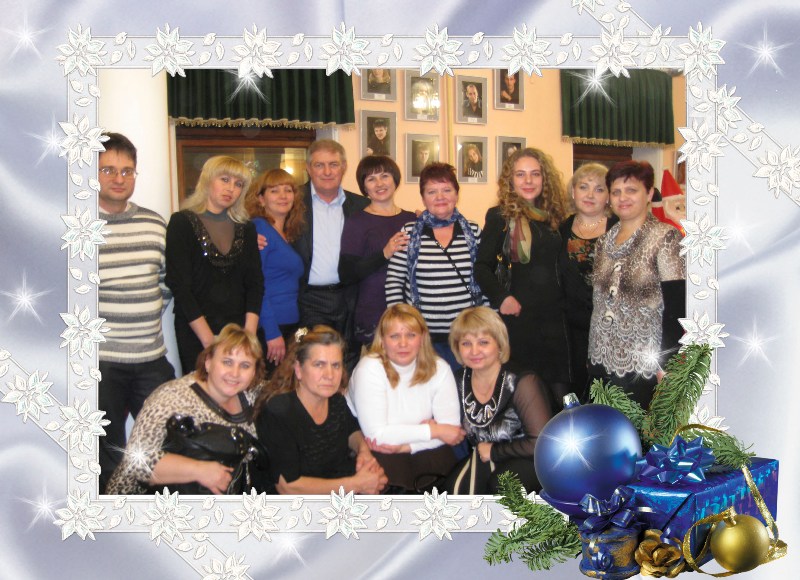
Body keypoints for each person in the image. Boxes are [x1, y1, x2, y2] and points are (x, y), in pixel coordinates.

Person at [96, 132, 176, 493]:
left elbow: (167, 282)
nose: (119, 178)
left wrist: (144, 307)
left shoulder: (154, 223)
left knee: (164, 443)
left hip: (150, 359)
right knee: (105, 451)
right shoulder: (77, 226)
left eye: (127, 171)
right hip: (101, 362)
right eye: (108, 170)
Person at [106, 324, 265, 495]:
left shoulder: (250, 394)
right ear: (208, 362)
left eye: (245, 365)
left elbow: (282, 387)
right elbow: (136, 464)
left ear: (254, 372)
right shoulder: (173, 397)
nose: (235, 373)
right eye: (227, 362)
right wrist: (199, 470)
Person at [474, 148, 571, 411]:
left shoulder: (556, 217)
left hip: (555, 320)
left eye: (535, 174)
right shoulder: (500, 216)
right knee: (528, 396)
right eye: (520, 174)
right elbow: (481, 267)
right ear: (510, 179)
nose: (528, 181)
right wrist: (502, 298)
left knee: (563, 397)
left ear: (544, 178)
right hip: (519, 320)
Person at [588, 160, 686, 408]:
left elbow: (677, 308)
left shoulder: (666, 237)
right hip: (601, 358)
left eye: (631, 190)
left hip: (643, 365)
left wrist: (666, 364)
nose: (623, 198)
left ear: (649, 194)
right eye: (616, 191)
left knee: (637, 430)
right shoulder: (603, 242)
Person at [254, 325, 387, 494]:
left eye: (336, 365)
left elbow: (352, 431)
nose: (329, 375)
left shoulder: (336, 400)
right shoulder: (278, 413)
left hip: (342, 490)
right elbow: (288, 487)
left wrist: (364, 452)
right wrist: (357, 484)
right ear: (298, 369)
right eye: (319, 365)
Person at [348, 304, 464, 491]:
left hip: (414, 445)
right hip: (372, 448)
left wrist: (406, 447)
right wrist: (434, 430)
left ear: (422, 338)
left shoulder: (440, 367)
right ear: (382, 340)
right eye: (394, 336)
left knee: (446, 472)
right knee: (389, 477)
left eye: (411, 335)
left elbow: (451, 433)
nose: (403, 343)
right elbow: (377, 436)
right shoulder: (369, 368)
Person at [165, 156, 264, 374]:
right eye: (224, 179)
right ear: (208, 180)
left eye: (238, 184)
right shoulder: (182, 223)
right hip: (196, 330)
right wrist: (209, 342)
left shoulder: (246, 228)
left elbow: (255, 284)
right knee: (200, 391)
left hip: (238, 328)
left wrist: (248, 336)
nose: (231, 188)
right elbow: (180, 286)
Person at [385, 162, 484, 370]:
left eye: (447, 190)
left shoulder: (473, 231)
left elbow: (485, 279)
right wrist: (399, 325)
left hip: (467, 337)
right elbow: (394, 281)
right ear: (423, 198)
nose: (440, 197)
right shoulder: (409, 232)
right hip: (422, 338)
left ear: (456, 194)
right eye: (432, 192)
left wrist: (488, 324)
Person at [445, 307, 551, 494]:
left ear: (499, 344)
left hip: (534, 459)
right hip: (485, 456)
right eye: (466, 343)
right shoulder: (458, 379)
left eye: (483, 342)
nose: (474, 351)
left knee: (501, 486)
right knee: (453, 489)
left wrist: (494, 451)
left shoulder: (523, 381)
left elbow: (541, 443)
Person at [292, 139, 369, 371]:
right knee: (315, 365)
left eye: (333, 164)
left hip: (350, 299)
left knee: (348, 365)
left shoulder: (361, 206)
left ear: (343, 167)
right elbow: (264, 221)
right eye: (319, 165)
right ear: (308, 168)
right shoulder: (292, 201)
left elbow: (387, 224)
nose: (327, 172)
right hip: (309, 300)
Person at [338, 156, 415, 347]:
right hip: (373, 310)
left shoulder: (412, 219)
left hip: (409, 309)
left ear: (395, 180)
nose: (379, 183)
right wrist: (384, 254)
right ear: (364, 187)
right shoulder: (357, 222)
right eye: (371, 179)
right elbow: (346, 274)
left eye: (385, 176)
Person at [558, 163, 618, 398]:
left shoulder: (619, 228)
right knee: (577, 394)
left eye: (599, 189)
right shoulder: (560, 229)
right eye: (583, 187)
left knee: (608, 395)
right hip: (571, 331)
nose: (590, 195)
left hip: (611, 329)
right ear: (573, 192)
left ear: (608, 197)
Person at [244, 169, 305, 371]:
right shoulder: (260, 229)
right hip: (270, 328)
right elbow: (256, 285)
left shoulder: (286, 233)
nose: (283, 196)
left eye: (288, 190)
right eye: (274, 190)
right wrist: (271, 332)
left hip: (288, 324)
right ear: (261, 199)